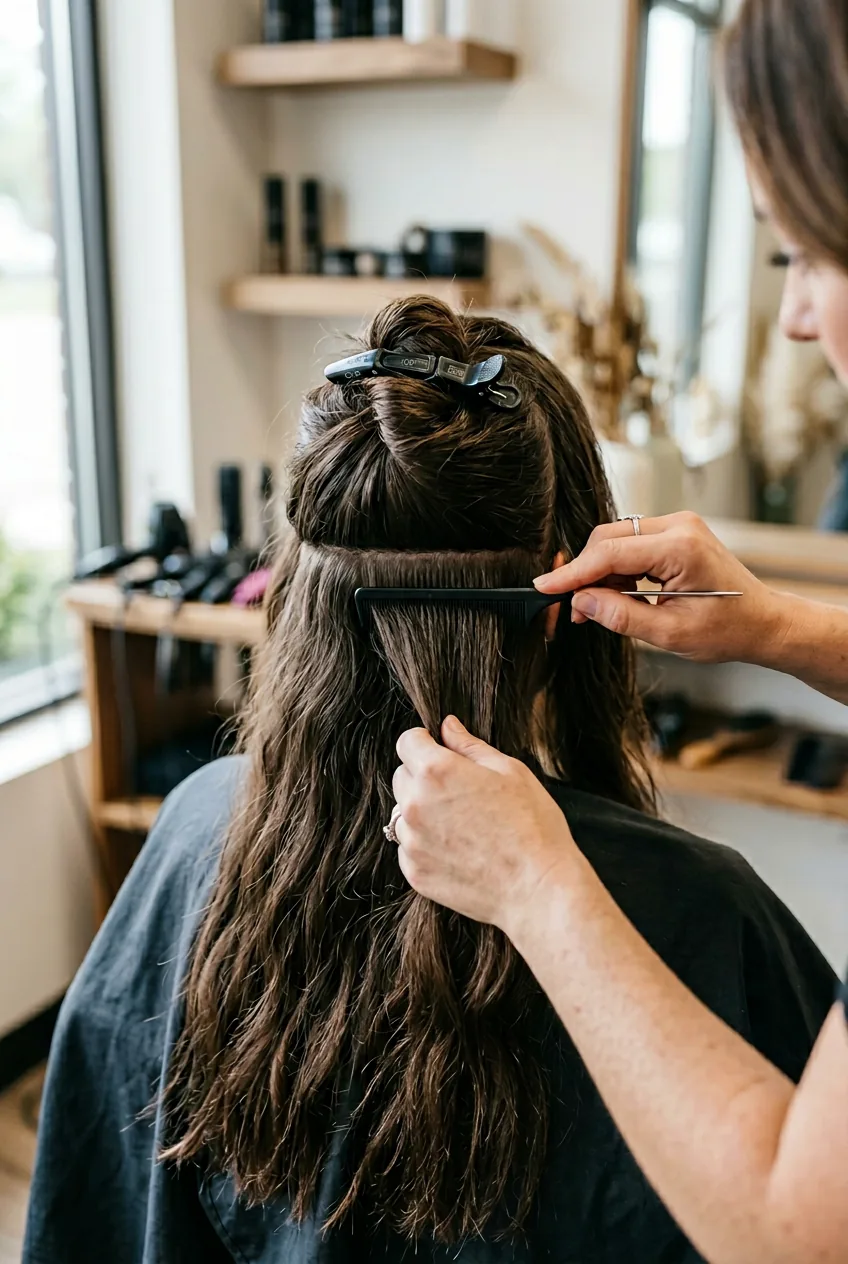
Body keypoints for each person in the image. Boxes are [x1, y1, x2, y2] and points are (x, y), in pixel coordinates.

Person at [24, 298, 837, 1264]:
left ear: (295, 592)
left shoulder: (195, 824)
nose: (791, 315)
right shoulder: (706, 914)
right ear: (559, 603)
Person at [390, 3, 848, 1262]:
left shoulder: (195, 844)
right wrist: (780, 628)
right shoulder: (716, 910)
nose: (799, 319)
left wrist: (540, 885)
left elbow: (800, 1232)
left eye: (802, 257)